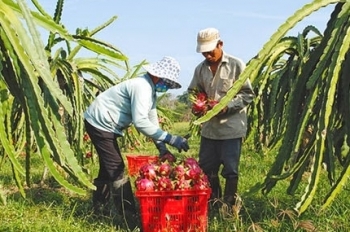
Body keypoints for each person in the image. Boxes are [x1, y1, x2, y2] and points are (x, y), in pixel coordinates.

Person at [84, 56, 190, 226]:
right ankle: (129, 219)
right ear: (157, 75)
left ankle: (98, 209)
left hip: (105, 124)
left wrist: (162, 147)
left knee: (107, 168)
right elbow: (140, 122)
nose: (167, 86)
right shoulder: (142, 87)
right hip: (100, 123)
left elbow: (151, 118)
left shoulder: (150, 90)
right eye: (167, 82)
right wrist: (171, 138)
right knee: (116, 169)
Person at [188, 28, 255, 208]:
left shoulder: (236, 65)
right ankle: (214, 203)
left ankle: (230, 205)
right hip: (209, 130)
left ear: (220, 44)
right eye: (204, 53)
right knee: (207, 169)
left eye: (211, 51)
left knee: (231, 171)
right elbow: (193, 92)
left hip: (230, 129)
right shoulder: (200, 69)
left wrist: (227, 106)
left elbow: (248, 94)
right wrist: (196, 104)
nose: (208, 56)